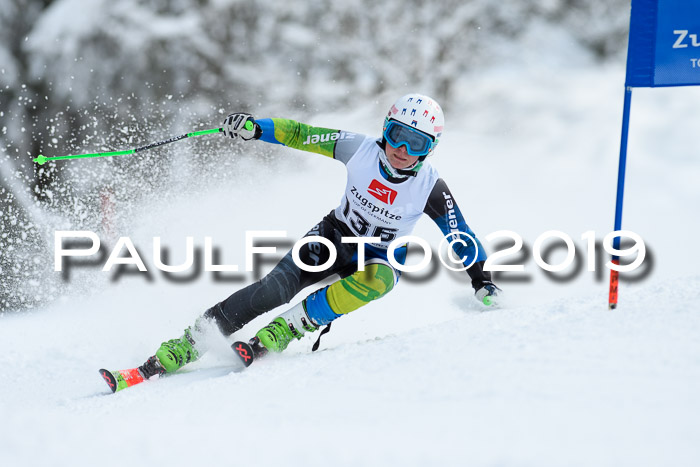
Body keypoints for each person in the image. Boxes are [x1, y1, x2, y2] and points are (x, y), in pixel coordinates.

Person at [135, 93, 501, 379]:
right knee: (273, 290)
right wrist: (255, 128)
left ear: (430, 149)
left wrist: (481, 281)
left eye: (415, 144)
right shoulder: (359, 148)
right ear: (385, 129)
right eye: (397, 136)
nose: (401, 150)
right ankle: (189, 343)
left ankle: (288, 328)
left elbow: (460, 235)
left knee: (382, 279)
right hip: (333, 235)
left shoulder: (430, 187)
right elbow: (301, 135)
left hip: (379, 255)